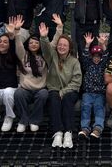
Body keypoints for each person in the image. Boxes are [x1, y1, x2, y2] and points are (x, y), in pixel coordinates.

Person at [40, 17, 82, 148]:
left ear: (69, 48)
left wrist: (63, 92)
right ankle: (57, 132)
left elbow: (76, 82)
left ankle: (68, 132)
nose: (62, 47)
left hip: (70, 90)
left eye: (65, 45)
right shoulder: (52, 57)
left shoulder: (74, 61)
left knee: (68, 99)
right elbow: (46, 49)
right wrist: (44, 37)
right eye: (60, 44)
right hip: (54, 89)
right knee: (53, 98)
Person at [13, 19, 48, 133]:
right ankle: (23, 120)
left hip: (40, 89)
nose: (33, 45)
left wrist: (47, 35)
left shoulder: (45, 56)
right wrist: (17, 30)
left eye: (36, 43)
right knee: (18, 93)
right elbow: (18, 44)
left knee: (44, 94)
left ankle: (34, 121)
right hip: (26, 90)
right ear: (28, 44)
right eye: (31, 43)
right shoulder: (23, 55)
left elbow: (50, 46)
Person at [78, 32, 109, 139]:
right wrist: (87, 44)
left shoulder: (103, 65)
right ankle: (85, 128)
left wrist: (103, 44)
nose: (96, 58)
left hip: (99, 93)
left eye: (98, 56)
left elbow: (106, 55)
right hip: (87, 92)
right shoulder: (88, 64)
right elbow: (84, 56)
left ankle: (98, 128)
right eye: (94, 56)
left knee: (99, 108)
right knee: (85, 108)